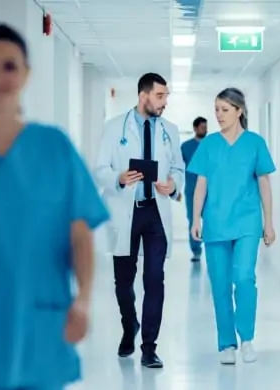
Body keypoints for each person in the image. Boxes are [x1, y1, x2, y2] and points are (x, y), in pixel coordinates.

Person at [0, 24, 110, 389]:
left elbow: (80, 236)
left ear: (26, 74)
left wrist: (83, 301)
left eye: (9, 66)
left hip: (40, 316)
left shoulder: (54, 148)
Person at [94, 73, 185, 369]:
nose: (165, 102)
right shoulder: (113, 128)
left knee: (154, 280)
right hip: (126, 210)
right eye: (161, 96)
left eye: (167, 96)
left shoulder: (170, 130)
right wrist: (118, 178)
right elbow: (99, 170)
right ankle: (128, 326)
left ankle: (149, 347)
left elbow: (177, 169)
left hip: (156, 213)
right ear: (143, 95)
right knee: (123, 283)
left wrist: (173, 186)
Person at [188, 87, 276, 365]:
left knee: (244, 278)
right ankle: (227, 344)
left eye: (224, 110)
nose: (219, 115)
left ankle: (247, 338)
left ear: (239, 111)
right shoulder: (209, 145)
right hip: (215, 223)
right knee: (221, 285)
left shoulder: (255, 143)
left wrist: (269, 223)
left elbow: (264, 184)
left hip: (248, 222)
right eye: (216, 109)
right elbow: (200, 185)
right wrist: (195, 218)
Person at [181, 116, 208, 262]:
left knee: (210, 219)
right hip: (191, 190)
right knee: (193, 220)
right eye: (202, 127)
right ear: (195, 128)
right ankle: (196, 250)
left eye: (206, 127)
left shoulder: (212, 145)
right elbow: (177, 169)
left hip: (210, 191)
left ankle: (212, 248)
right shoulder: (185, 147)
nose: (205, 130)